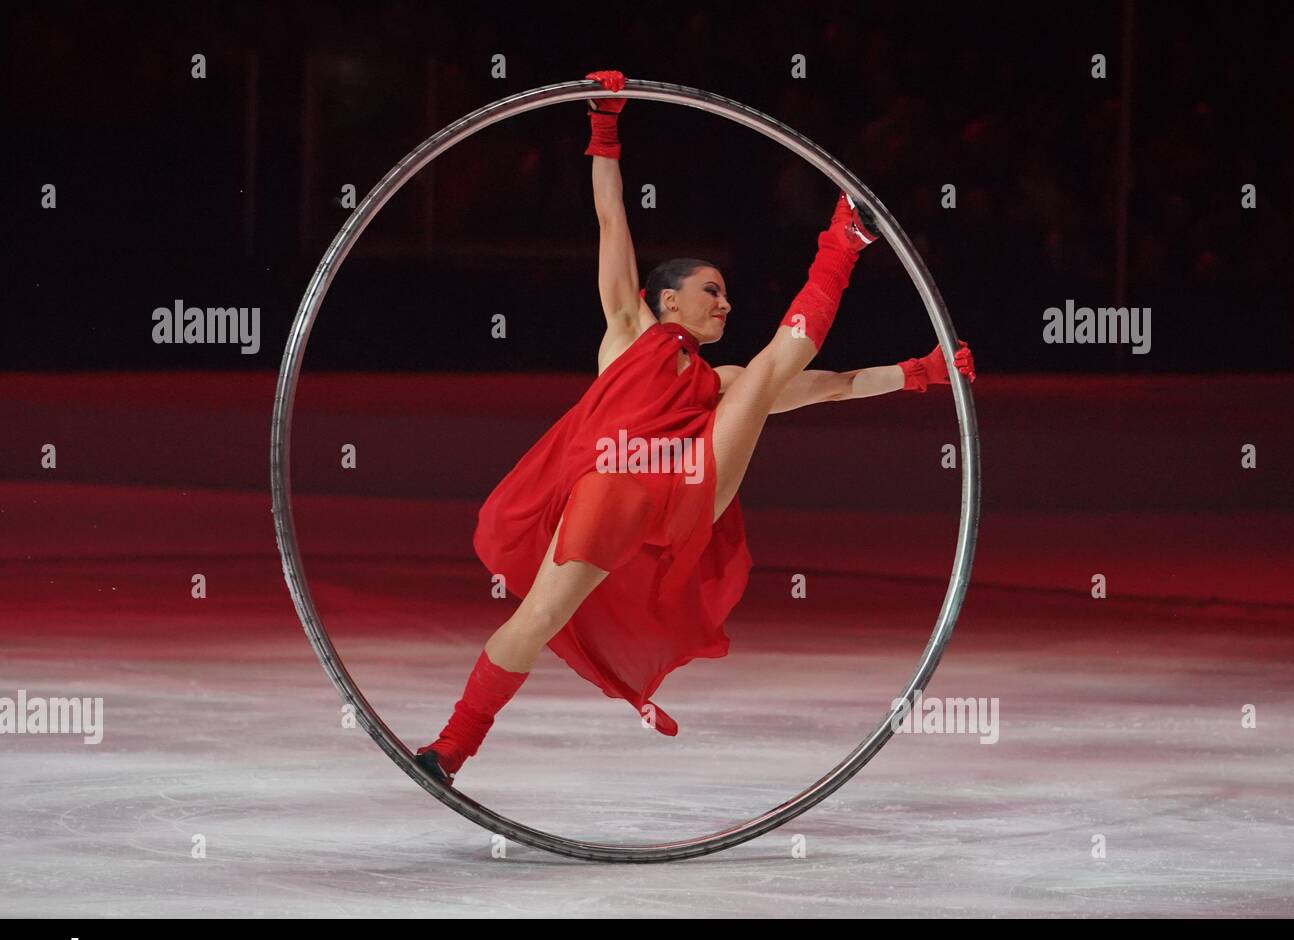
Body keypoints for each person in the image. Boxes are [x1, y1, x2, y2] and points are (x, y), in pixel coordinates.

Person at [414, 70, 975, 785]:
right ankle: (451, 748)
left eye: (728, 294)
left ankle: (842, 242)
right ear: (667, 300)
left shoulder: (723, 384)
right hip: (612, 486)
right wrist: (604, 128)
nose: (725, 304)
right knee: (538, 619)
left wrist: (920, 372)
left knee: (766, 374)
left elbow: (830, 385)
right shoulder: (628, 333)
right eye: (712, 290)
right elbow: (611, 220)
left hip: (684, 492)